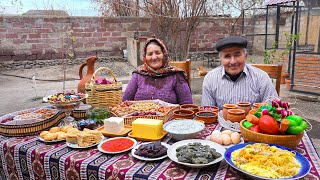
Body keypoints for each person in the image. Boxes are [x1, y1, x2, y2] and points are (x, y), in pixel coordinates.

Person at [201, 36, 278, 110]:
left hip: (253, 123)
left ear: (245, 56)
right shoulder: (210, 79)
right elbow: (208, 113)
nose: (233, 61)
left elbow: (273, 108)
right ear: (221, 59)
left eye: (237, 55)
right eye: (227, 56)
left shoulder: (261, 77)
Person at [122, 38, 193, 105]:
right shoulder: (138, 74)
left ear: (164, 54)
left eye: (158, 53)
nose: (154, 57)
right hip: (139, 117)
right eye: (150, 54)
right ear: (145, 57)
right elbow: (125, 102)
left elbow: (187, 105)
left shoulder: (176, 75)